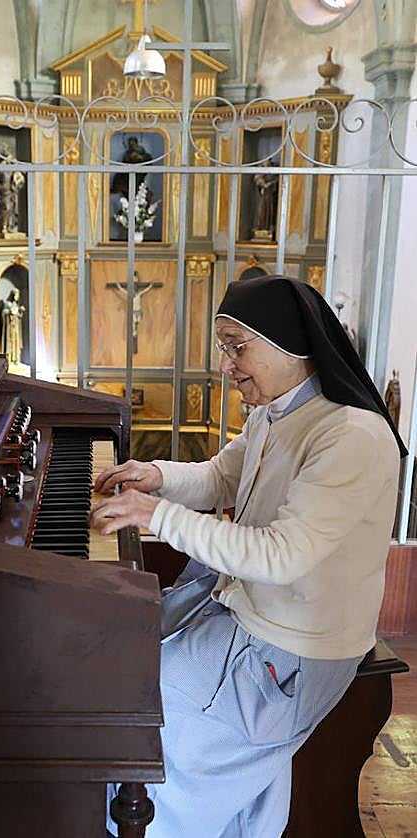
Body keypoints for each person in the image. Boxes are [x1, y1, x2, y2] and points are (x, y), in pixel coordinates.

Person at [92, 275, 407, 838]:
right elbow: (221, 476)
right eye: (224, 348)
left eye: (238, 347)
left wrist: (152, 515)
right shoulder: (277, 411)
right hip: (250, 619)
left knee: (128, 699)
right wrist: (156, 476)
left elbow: (282, 557)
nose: (226, 365)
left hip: (292, 653)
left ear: (292, 345)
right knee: (117, 653)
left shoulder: (350, 434)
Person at [0, 288, 25, 365]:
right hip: (10, 326)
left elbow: (19, 316)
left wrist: (21, 311)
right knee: (10, 341)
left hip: (16, 326)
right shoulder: (7, 304)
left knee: (16, 342)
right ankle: (10, 358)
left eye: (18, 295)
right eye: (16, 295)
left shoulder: (16, 305)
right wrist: (9, 312)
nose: (17, 297)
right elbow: (3, 313)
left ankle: (16, 359)